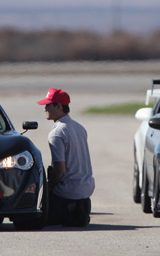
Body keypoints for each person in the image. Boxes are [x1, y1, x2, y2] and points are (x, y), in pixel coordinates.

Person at [38, 88, 94, 227]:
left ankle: (68, 210)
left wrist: (47, 189)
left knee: (40, 218)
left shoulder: (57, 133)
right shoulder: (79, 127)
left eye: (48, 105)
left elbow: (59, 171)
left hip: (69, 191)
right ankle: (78, 210)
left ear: (59, 106)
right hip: (86, 188)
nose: (45, 108)